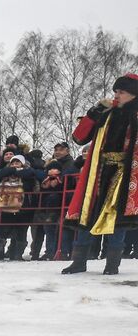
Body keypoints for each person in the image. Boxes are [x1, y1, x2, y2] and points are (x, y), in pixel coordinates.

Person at [62, 73, 138, 275]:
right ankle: (79, 262)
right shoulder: (106, 113)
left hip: (126, 172)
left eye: (121, 92)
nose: (117, 95)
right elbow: (79, 137)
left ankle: (112, 264)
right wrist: (95, 112)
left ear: (133, 94)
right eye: (116, 91)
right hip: (100, 170)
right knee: (88, 211)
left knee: (116, 215)